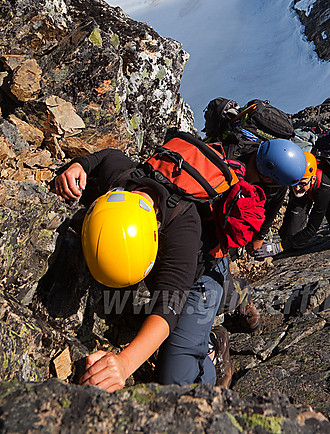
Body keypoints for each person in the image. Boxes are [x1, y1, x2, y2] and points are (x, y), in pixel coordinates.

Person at [53, 147, 231, 392]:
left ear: (155, 236)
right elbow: (106, 155)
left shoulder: (184, 226)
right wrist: (79, 165)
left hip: (201, 277)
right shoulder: (119, 177)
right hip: (171, 267)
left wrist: (125, 364)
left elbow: (171, 305)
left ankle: (212, 347)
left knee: (176, 384)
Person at [278, 151, 330, 252]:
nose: (297, 187)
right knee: (288, 235)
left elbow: (312, 228)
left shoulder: (324, 189)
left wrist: (279, 247)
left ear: (312, 179)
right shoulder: (297, 179)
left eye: (302, 184)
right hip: (307, 192)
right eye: (294, 182)